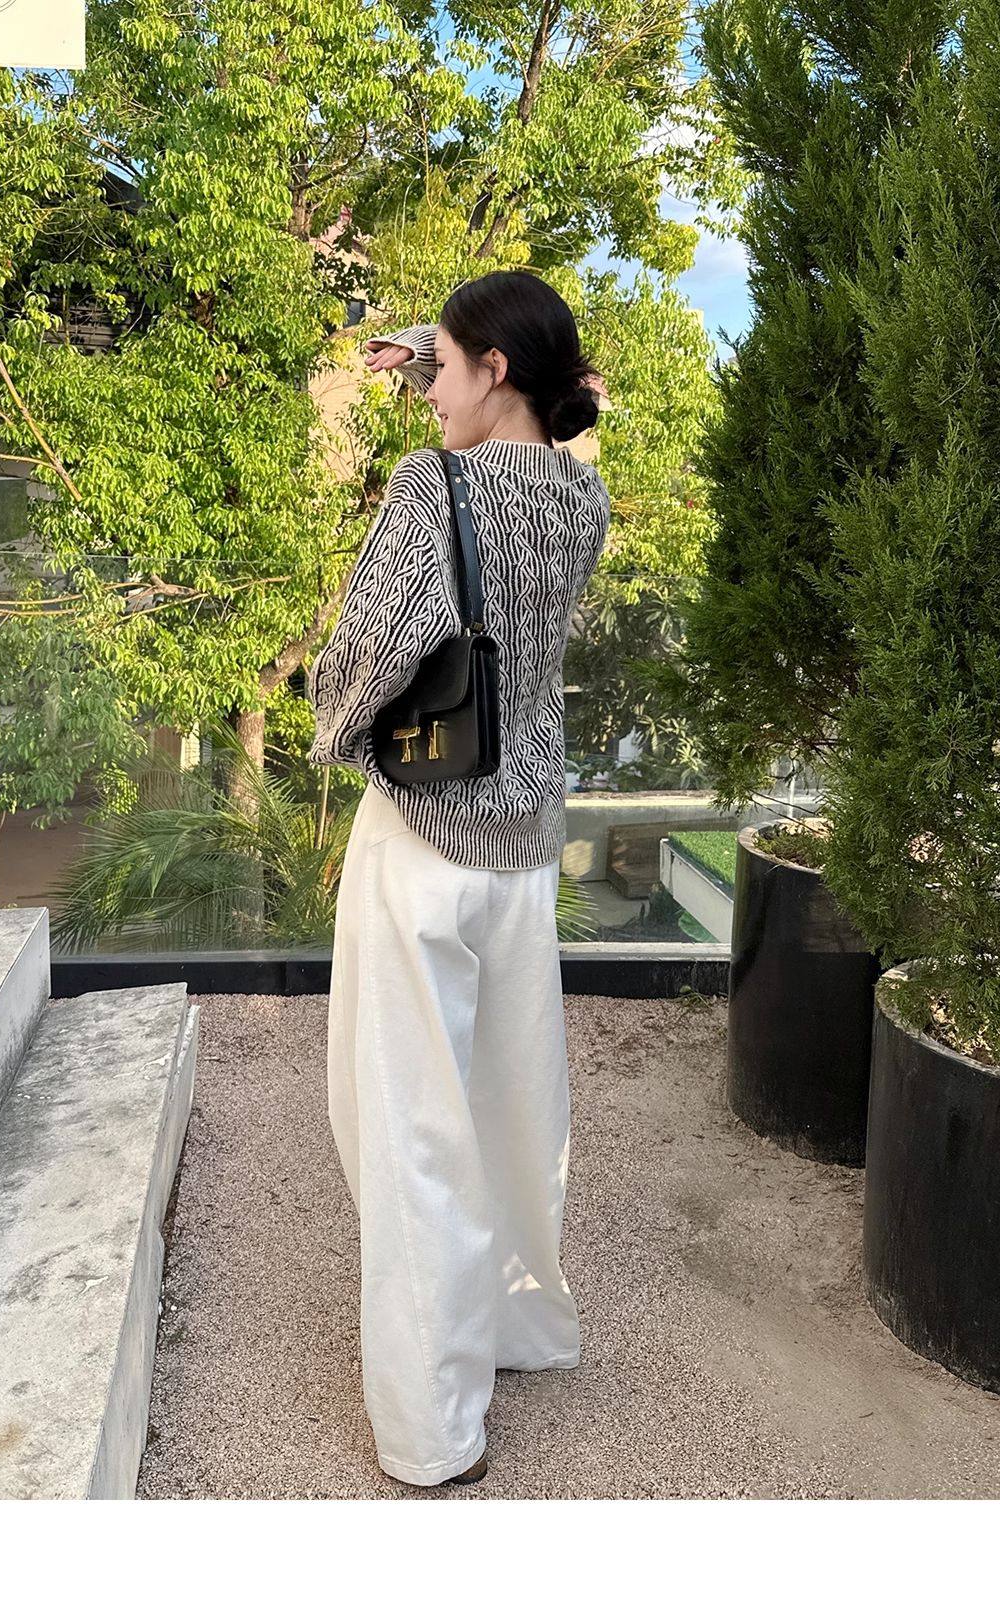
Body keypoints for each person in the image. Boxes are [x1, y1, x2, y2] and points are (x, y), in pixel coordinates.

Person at [307, 269, 612, 1489]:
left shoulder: (430, 486)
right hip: (523, 845)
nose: (426, 388)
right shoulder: (582, 496)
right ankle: (522, 1324)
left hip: (424, 839)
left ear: (495, 370)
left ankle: (434, 1430)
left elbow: (375, 645)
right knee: (513, 1108)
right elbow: (541, 388)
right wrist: (424, 343)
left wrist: (330, 731)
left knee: (410, 1133)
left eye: (442, 365)